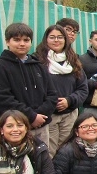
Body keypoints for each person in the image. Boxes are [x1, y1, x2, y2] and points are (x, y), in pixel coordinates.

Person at [0, 23, 58, 147]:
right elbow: (3, 100)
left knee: (42, 161)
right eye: (17, 40)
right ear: (7, 41)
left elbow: (52, 94)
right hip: (14, 129)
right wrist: (31, 117)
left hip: (41, 126)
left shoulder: (38, 66)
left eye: (26, 40)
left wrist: (38, 117)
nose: (22, 44)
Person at [34, 25, 88, 156]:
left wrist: (69, 101)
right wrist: (49, 104)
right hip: (48, 116)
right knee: (49, 152)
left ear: (65, 40)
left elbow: (83, 88)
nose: (56, 40)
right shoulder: (37, 61)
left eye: (60, 37)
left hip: (69, 115)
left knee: (67, 150)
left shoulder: (73, 61)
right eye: (52, 37)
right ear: (46, 40)